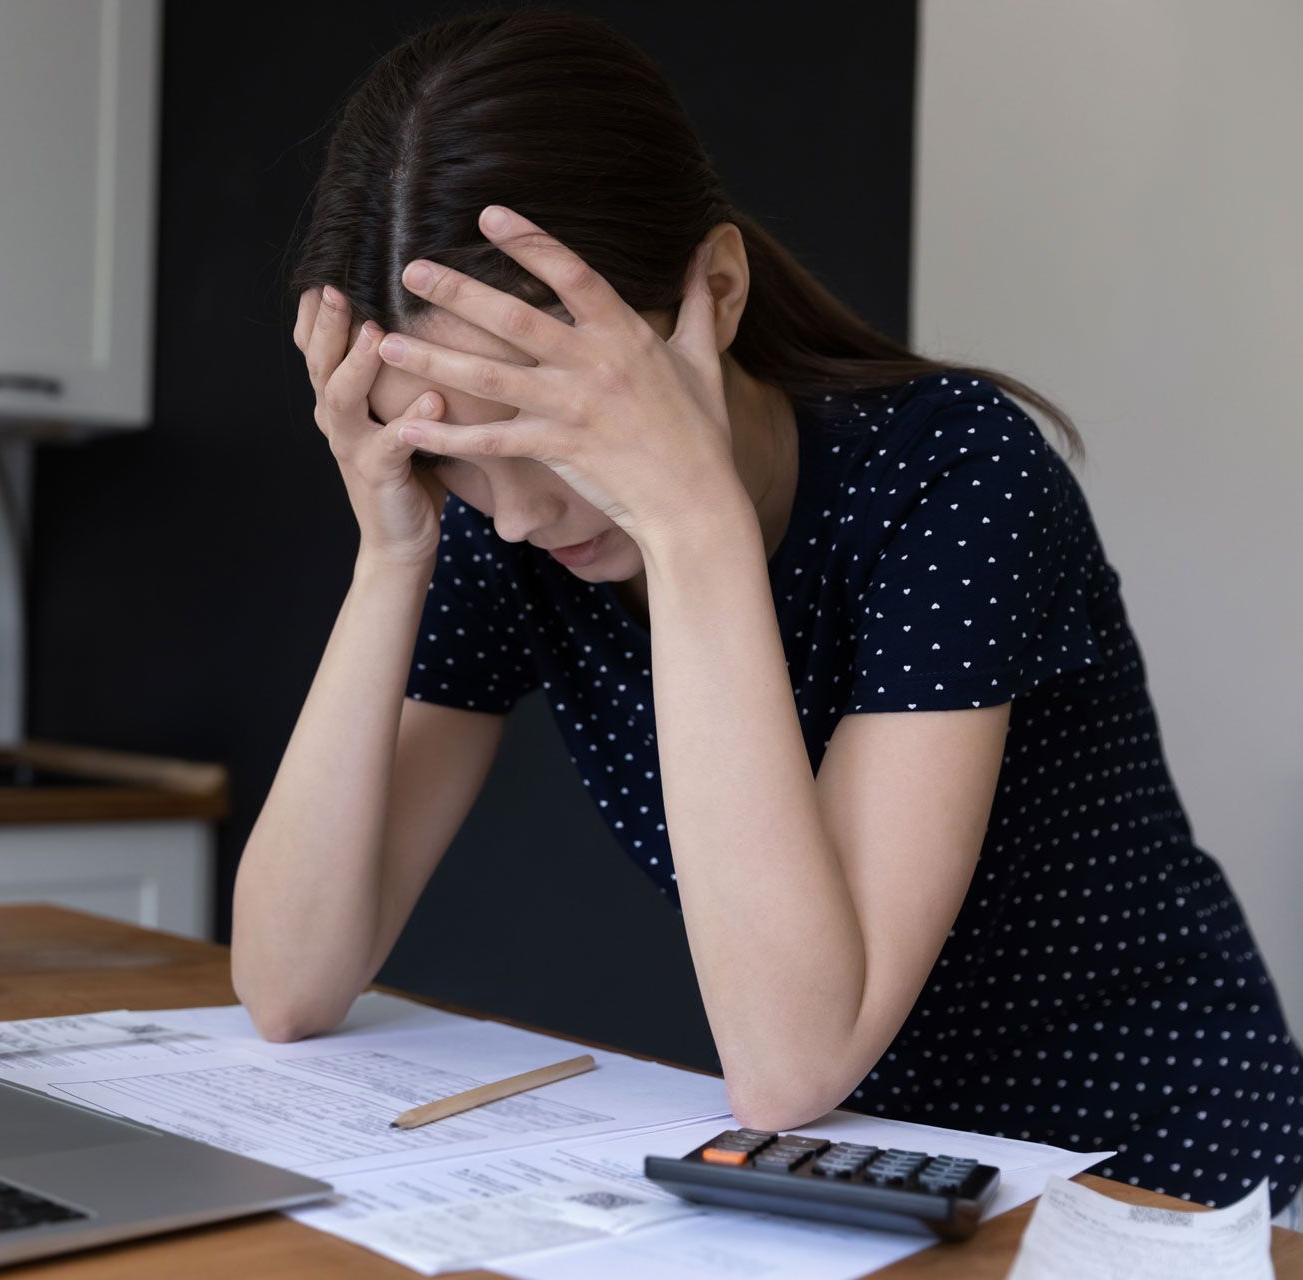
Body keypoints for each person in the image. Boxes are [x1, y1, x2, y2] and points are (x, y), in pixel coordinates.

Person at [229, 6, 1303, 1219]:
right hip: (882, 1185)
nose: (516, 512)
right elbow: (287, 983)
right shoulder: (507, 522)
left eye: (548, 432)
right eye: (448, 454)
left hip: (1164, 1185)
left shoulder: (956, 474)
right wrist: (392, 548)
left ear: (719, 292)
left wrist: (691, 521)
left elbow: (792, 1058)